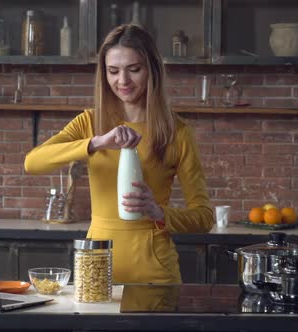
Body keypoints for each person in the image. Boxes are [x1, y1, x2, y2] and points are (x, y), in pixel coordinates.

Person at [24, 24, 213, 284]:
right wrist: (96, 142)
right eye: (113, 71)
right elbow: (32, 162)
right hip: (95, 265)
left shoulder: (176, 132)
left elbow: (204, 217)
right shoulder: (89, 122)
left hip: (155, 272)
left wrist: (160, 212)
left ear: (152, 71)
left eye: (134, 70)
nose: (122, 81)